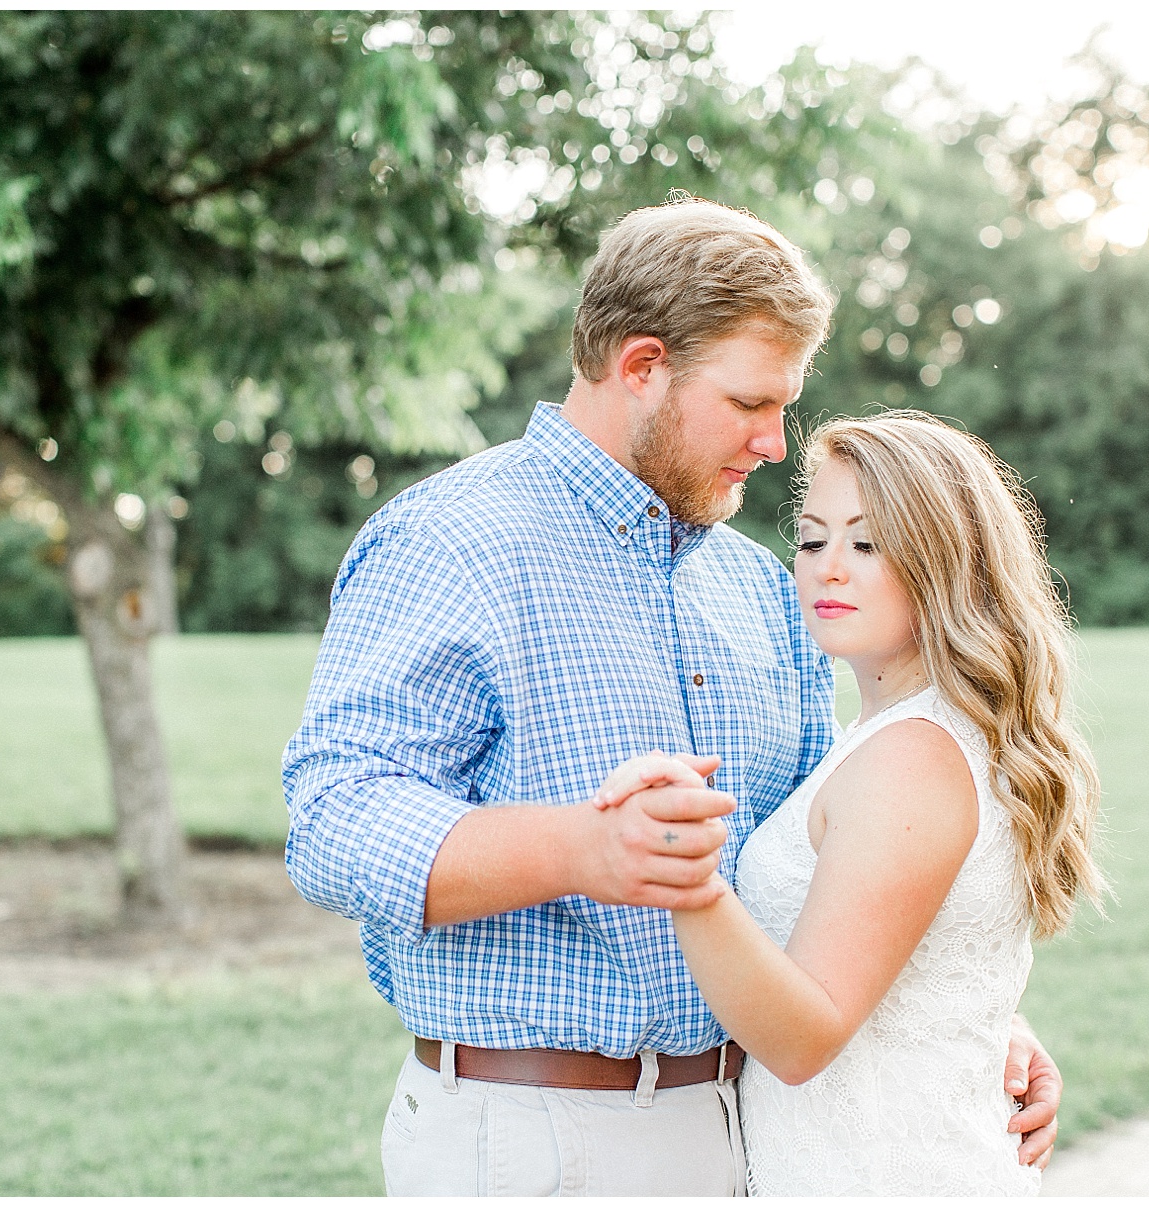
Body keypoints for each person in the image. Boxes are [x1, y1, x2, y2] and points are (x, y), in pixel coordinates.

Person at [282, 197, 1062, 1196]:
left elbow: (818, 862)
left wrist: (943, 1010)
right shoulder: (451, 538)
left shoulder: (754, 586)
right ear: (643, 366)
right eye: (750, 404)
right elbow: (335, 822)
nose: (777, 443)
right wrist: (588, 849)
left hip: (749, 1131)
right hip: (536, 1138)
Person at [597, 411, 1105, 1193]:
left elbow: (804, 1038)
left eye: (867, 543)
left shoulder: (911, 756)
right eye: (812, 539)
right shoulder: (897, 732)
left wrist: (681, 871)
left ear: (945, 560)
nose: (828, 567)